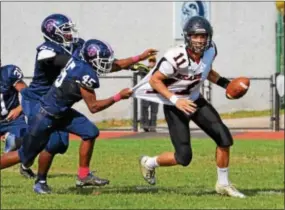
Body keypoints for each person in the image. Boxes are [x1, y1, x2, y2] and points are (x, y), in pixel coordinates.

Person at [4, 13, 157, 194]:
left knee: (65, 142)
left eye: (70, 29)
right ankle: (34, 169)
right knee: (46, 145)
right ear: (53, 32)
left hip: (56, 101)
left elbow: (103, 63)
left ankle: (79, 175)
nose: (70, 33)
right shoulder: (46, 51)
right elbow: (80, 68)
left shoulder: (77, 48)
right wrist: (116, 87)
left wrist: (136, 59)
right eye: (65, 30)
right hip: (37, 100)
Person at [132, 16, 246, 198]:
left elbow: (206, 70)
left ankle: (223, 184)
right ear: (187, 37)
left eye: (203, 36)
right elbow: (155, 80)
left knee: (224, 139)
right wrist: (176, 100)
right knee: (184, 157)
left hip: (195, 99)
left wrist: (225, 84)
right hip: (174, 104)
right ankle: (149, 162)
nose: (200, 40)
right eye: (195, 36)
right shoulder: (175, 57)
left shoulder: (211, 51)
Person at [0, 59, 30, 161]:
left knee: (29, 142)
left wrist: (19, 109)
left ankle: (24, 166)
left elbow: (28, 95)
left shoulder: (8, 73)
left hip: (12, 120)